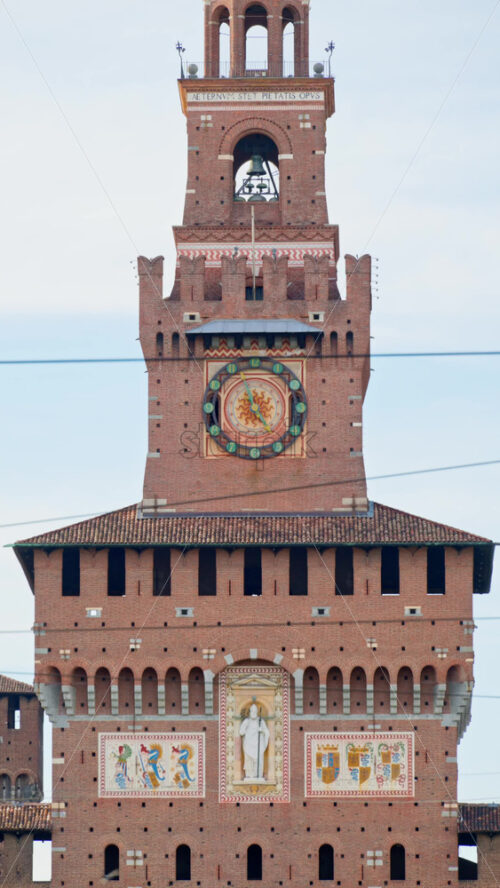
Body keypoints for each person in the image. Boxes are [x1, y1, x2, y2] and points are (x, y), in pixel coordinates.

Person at [239, 703, 270, 779]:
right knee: (249, 760)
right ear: (250, 712)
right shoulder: (247, 721)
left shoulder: (260, 721)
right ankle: (249, 775)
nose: (253, 712)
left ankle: (258, 775)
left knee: (258, 760)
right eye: (252, 711)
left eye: (255, 711)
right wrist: (244, 730)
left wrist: (261, 730)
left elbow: (267, 732)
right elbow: (241, 732)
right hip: (248, 744)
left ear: (256, 712)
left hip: (258, 744)